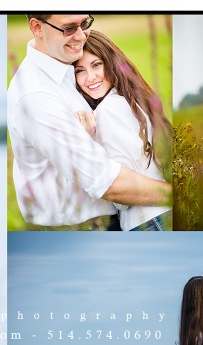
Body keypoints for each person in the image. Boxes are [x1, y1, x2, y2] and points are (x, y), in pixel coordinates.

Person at [8, 14, 172, 229]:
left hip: (130, 216)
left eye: (85, 23)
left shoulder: (70, 74)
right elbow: (106, 182)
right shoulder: (35, 93)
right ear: (37, 27)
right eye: (68, 28)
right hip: (84, 227)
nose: (81, 36)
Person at [71, 31, 171, 231]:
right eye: (80, 71)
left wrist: (88, 140)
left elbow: (123, 195)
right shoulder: (131, 99)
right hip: (161, 215)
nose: (90, 78)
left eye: (96, 65)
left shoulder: (107, 111)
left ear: (110, 63)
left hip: (147, 221)